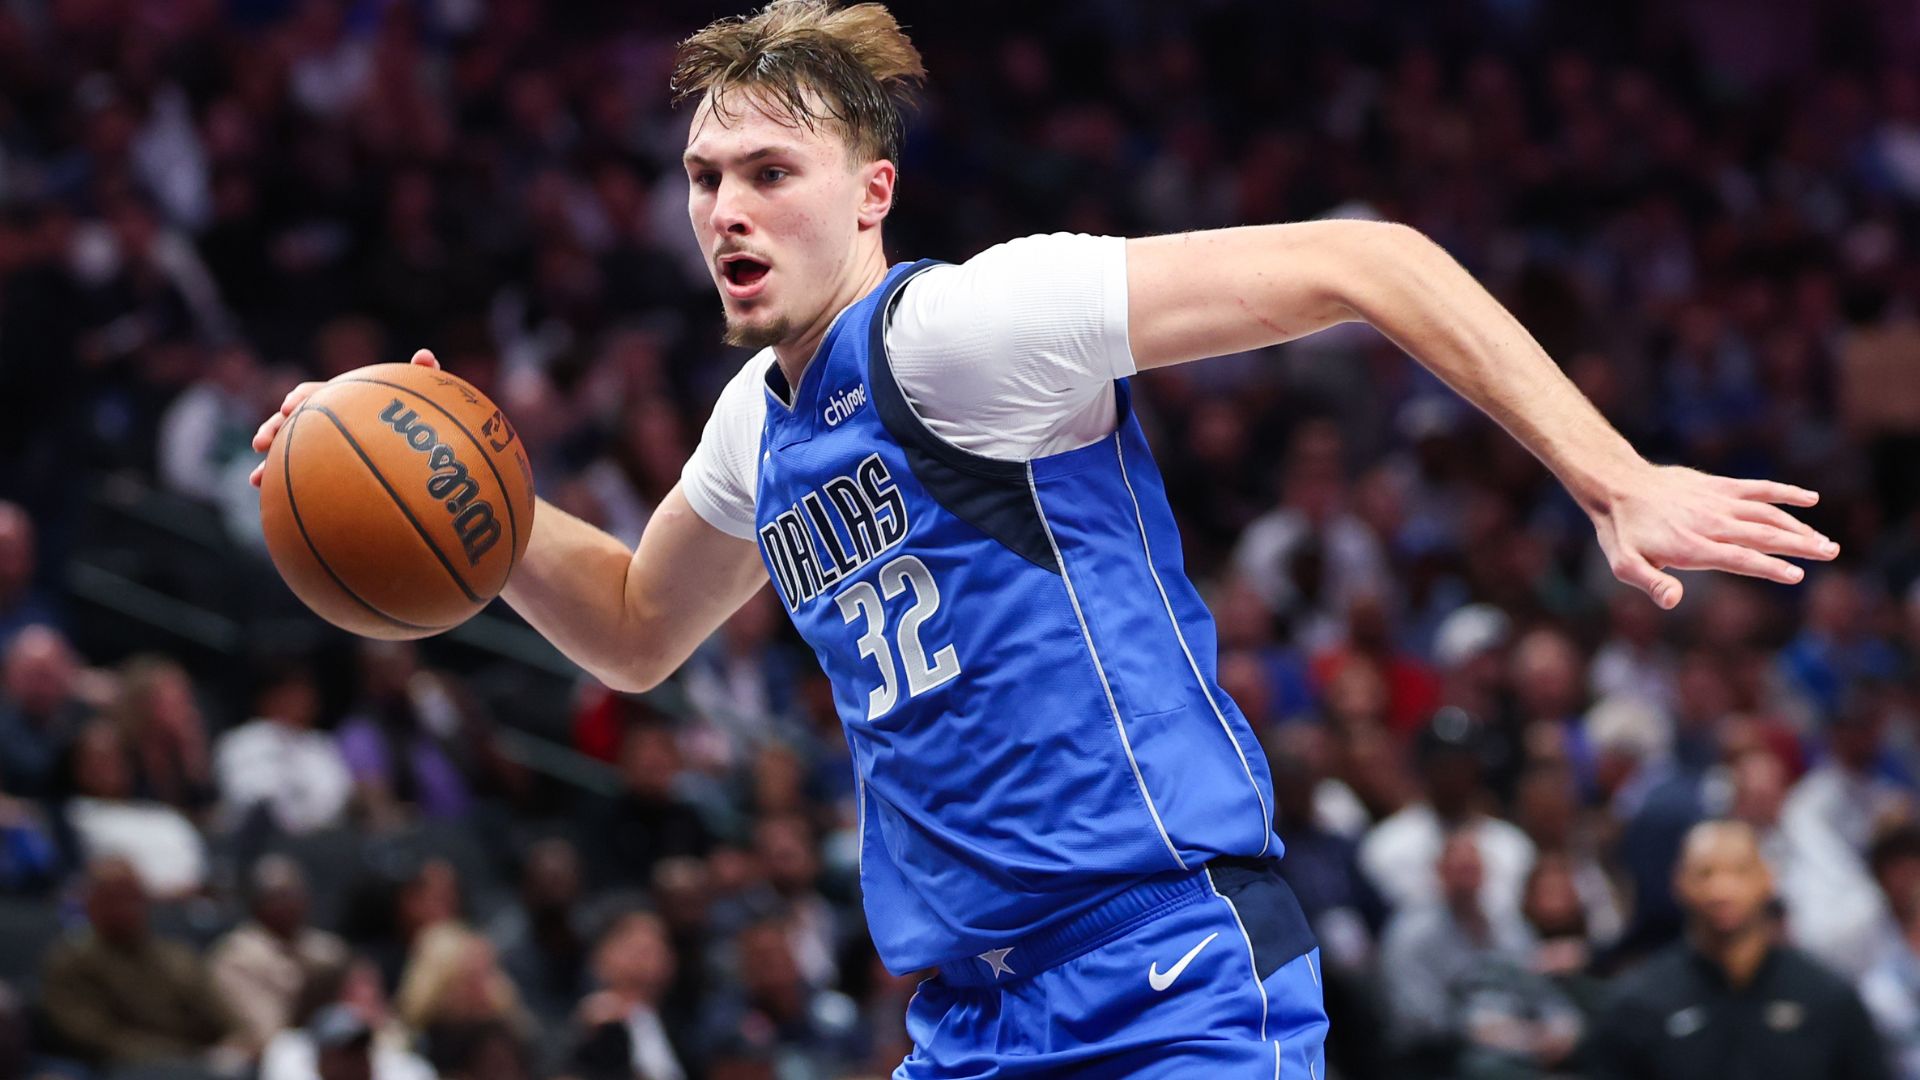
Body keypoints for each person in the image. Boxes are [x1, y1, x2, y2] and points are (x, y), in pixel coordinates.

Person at [252, 1, 1838, 1071]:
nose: (724, 211)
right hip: (968, 1018)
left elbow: (1379, 262)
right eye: (702, 179)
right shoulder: (755, 424)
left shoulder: (965, 329)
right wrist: (478, 502)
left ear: (869, 193)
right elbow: (633, 631)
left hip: (1166, 972)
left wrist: (1611, 470)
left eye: (767, 174)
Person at [1588, 821, 1889, 1080]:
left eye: (1739, 870)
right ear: (1678, 883)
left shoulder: (1828, 999)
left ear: (1768, 878)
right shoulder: (1639, 1004)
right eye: (1705, 873)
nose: (1721, 889)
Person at [39, 856, 239, 1067]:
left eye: (133, 897)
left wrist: (237, 1043)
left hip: (196, 1063)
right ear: (93, 903)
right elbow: (93, 1036)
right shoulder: (71, 961)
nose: (127, 907)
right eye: (114, 897)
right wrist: (184, 1057)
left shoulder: (175, 956)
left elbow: (224, 1018)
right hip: (118, 1068)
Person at [208, 855, 350, 1052]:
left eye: (295, 894)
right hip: (266, 1057)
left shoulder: (329, 949)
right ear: (256, 903)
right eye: (279, 896)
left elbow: (364, 1014)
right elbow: (266, 1035)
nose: (290, 904)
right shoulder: (235, 956)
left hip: (341, 1048)